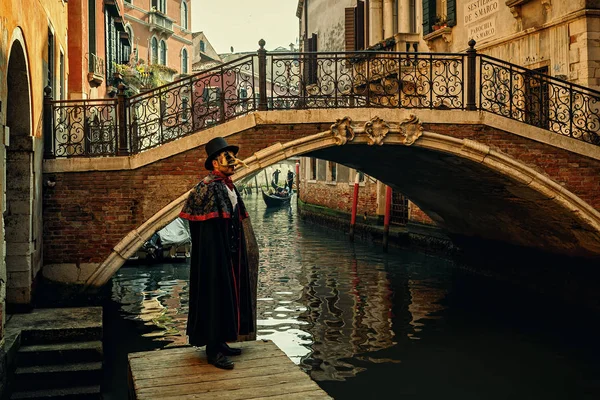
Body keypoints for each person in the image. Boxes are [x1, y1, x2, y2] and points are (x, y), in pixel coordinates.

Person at [179, 137, 254, 370]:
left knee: (228, 295)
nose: (232, 162)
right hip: (213, 257)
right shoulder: (207, 187)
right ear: (214, 163)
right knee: (214, 295)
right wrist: (217, 255)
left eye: (232, 158)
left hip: (228, 253)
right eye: (227, 158)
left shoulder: (227, 185)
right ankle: (213, 350)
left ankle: (221, 341)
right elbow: (205, 228)